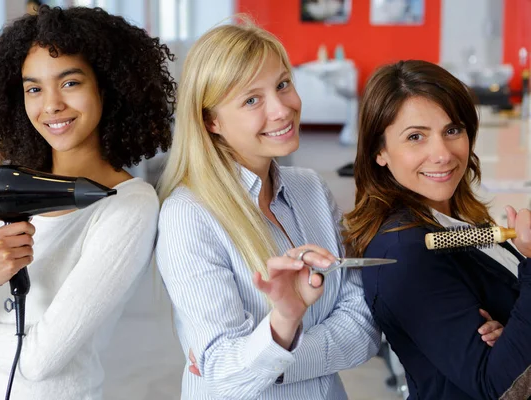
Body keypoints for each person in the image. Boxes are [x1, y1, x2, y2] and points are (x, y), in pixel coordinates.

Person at [0, 5, 175, 400]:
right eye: (34, 88)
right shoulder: (5, 187)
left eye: (70, 82)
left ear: (108, 86)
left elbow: (40, 360)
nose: (51, 105)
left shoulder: (128, 205)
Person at [155, 19, 380, 400]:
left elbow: (366, 326)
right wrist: (284, 320)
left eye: (282, 84)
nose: (281, 109)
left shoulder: (310, 188)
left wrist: (273, 358)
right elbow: (227, 374)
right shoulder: (188, 216)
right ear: (212, 121)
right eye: (251, 99)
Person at [343, 59, 531, 400]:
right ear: (379, 151)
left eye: (452, 130)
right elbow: (496, 385)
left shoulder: (450, 218)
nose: (442, 154)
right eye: (416, 137)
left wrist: (513, 333)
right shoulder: (404, 253)